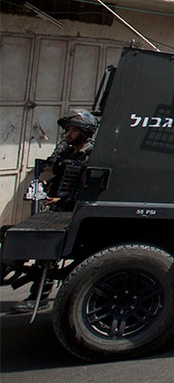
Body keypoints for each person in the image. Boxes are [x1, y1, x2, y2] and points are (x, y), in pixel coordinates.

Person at [13, 109, 98, 313]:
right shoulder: (68, 152)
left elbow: (89, 186)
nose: (68, 134)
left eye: (73, 130)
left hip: (75, 209)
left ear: (85, 132)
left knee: (50, 256)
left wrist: (63, 198)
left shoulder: (91, 154)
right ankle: (38, 295)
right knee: (43, 255)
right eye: (68, 130)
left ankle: (39, 297)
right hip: (58, 207)